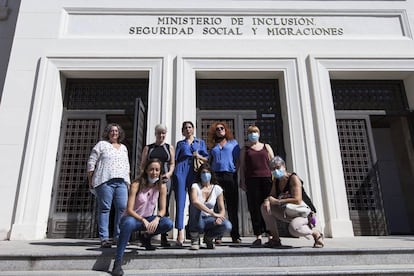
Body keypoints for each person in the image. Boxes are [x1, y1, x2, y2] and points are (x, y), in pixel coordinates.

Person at [112, 159, 173, 276]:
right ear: (146, 170)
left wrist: (157, 218)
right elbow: (129, 209)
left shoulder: (161, 186)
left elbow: (163, 209)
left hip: (148, 219)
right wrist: (142, 220)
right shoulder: (136, 184)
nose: (154, 172)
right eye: (151, 169)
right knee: (129, 223)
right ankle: (118, 262)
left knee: (168, 223)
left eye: (157, 170)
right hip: (132, 218)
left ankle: (146, 236)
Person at [261, 156, 324, 248]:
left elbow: (297, 200)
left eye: (278, 167)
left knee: (294, 229)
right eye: (273, 169)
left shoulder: (293, 178)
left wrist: (278, 201)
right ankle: (275, 239)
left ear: (284, 166)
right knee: (264, 207)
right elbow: (272, 196)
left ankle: (316, 233)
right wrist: (267, 201)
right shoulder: (276, 181)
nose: (276, 171)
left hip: (301, 212)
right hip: (287, 211)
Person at [87, 123, 130, 248]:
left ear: (119, 133)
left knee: (122, 208)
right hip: (105, 180)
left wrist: (128, 182)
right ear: (108, 133)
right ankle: (104, 238)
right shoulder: (101, 145)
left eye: (116, 131)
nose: (114, 133)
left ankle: (118, 237)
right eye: (112, 131)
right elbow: (91, 161)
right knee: (105, 209)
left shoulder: (123, 148)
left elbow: (126, 165)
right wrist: (90, 179)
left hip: (121, 181)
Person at [173, 121, 208, 246]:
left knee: (195, 202)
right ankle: (180, 232)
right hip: (181, 170)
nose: (188, 129)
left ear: (193, 129)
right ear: (183, 131)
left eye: (190, 127)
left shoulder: (200, 143)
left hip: (194, 170)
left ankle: (194, 231)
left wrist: (198, 155)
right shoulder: (180, 143)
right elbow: (175, 160)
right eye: (185, 128)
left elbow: (207, 159)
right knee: (180, 202)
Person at [239, 125, 275, 247]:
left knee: (268, 208)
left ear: (259, 134)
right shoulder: (245, 149)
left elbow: (273, 162)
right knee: (254, 208)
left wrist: (275, 179)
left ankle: (271, 235)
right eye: (250, 132)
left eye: (255, 132)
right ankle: (258, 235)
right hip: (252, 180)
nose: (253, 134)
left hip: (267, 180)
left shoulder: (266, 147)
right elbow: (243, 167)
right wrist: (242, 181)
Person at [140, 124, 175, 247]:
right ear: (155, 134)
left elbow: (172, 163)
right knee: (147, 205)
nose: (161, 135)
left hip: (164, 180)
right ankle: (145, 234)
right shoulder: (148, 148)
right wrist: (144, 179)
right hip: (150, 180)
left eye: (163, 133)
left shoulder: (168, 147)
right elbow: (143, 164)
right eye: (159, 133)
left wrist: (169, 174)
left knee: (163, 206)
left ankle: (164, 237)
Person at [207, 122, 241, 244]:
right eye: (217, 129)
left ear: (226, 130)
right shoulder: (213, 146)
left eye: (222, 128)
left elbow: (238, 160)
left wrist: (235, 170)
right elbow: (209, 161)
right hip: (216, 176)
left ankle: (235, 235)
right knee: (217, 207)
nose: (220, 130)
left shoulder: (233, 143)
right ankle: (218, 235)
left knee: (232, 206)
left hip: (230, 175)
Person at [188, 163, 232, 250]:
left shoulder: (217, 189)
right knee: (194, 206)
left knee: (227, 225)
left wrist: (220, 217)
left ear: (211, 174)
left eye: (208, 172)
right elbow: (195, 201)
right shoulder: (195, 186)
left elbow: (222, 209)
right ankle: (195, 239)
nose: (205, 175)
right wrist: (212, 213)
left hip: (210, 220)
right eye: (203, 172)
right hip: (198, 219)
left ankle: (209, 238)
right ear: (200, 175)